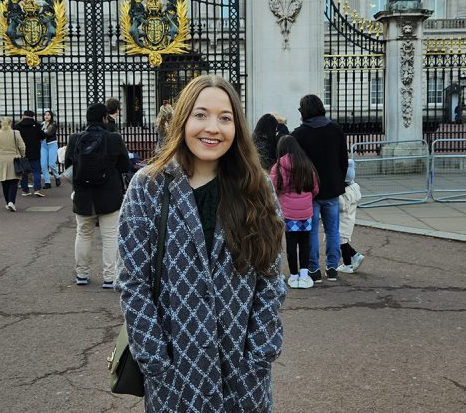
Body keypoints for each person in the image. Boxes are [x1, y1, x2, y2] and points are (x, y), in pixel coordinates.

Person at [118, 75, 286, 410]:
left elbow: (270, 278)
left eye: (225, 118)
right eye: (201, 115)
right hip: (176, 377)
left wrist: (259, 355)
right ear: (182, 120)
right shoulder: (148, 186)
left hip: (242, 376)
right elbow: (133, 283)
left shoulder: (256, 188)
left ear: (236, 127)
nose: (213, 128)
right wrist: (156, 363)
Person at [64, 103, 130, 288]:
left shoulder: (75, 138)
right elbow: (125, 166)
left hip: (83, 195)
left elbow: (68, 166)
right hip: (109, 195)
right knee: (109, 236)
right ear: (104, 118)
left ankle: (81, 274)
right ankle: (109, 277)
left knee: (83, 234)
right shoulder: (114, 138)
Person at [292, 94, 348, 282]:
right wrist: (340, 180)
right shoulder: (336, 129)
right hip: (332, 187)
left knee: (312, 231)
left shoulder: (299, 134)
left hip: (310, 189)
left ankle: (314, 270)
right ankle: (332, 267)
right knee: (333, 230)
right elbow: (343, 160)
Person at [270, 135, 319, 289]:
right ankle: (304, 277)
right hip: (306, 211)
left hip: (288, 212)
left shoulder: (278, 166)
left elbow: (272, 187)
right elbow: (315, 188)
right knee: (305, 243)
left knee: (291, 244)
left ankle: (293, 276)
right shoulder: (306, 164)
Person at [0, 117, 26, 212]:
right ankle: (11, 202)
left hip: (1, 160)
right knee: (14, 181)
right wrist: (22, 155)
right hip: (14, 159)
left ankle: (7, 202)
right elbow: (22, 146)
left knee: (4, 181)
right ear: (11, 123)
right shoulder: (15, 133)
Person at [336, 159, 366, 274]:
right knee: (343, 242)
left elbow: (342, 206)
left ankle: (348, 264)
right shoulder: (354, 187)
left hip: (343, 219)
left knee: (342, 242)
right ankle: (355, 256)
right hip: (349, 218)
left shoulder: (345, 191)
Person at [14, 110, 45, 197]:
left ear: (24, 115)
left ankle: (25, 190)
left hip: (22, 151)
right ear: (33, 116)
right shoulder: (37, 125)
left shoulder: (17, 126)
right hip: (34, 151)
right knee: (36, 171)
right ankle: (37, 189)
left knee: (24, 171)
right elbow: (42, 136)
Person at [40, 110, 60, 189]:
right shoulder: (41, 124)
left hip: (52, 144)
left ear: (51, 116)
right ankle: (47, 182)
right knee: (43, 164)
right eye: (45, 115)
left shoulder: (53, 124)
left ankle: (57, 176)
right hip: (43, 145)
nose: (46, 116)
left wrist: (42, 132)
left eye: (48, 115)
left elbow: (49, 133)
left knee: (51, 163)